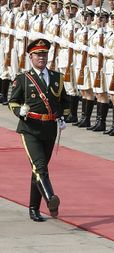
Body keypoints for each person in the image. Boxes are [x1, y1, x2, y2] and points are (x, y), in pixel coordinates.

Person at [8, 38, 70, 222]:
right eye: (37, 55)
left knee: (38, 170)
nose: (41, 58)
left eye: (44, 54)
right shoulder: (23, 79)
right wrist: (20, 112)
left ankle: (34, 208)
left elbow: (65, 101)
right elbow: (13, 101)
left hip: (50, 129)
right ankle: (51, 198)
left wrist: (62, 116)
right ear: (30, 57)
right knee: (40, 167)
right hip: (30, 129)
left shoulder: (57, 78)